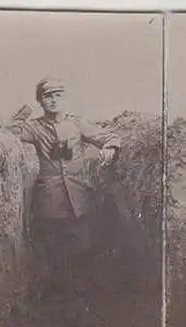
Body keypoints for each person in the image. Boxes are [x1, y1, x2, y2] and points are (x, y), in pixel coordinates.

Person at [7, 77, 122, 297]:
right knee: (53, 255)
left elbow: (110, 137)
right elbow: (6, 134)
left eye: (58, 95)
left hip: (80, 199)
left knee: (84, 252)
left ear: (65, 99)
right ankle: (58, 306)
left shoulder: (77, 124)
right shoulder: (33, 127)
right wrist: (20, 115)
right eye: (48, 96)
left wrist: (110, 149)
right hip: (49, 202)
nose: (53, 100)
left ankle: (83, 303)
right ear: (40, 101)